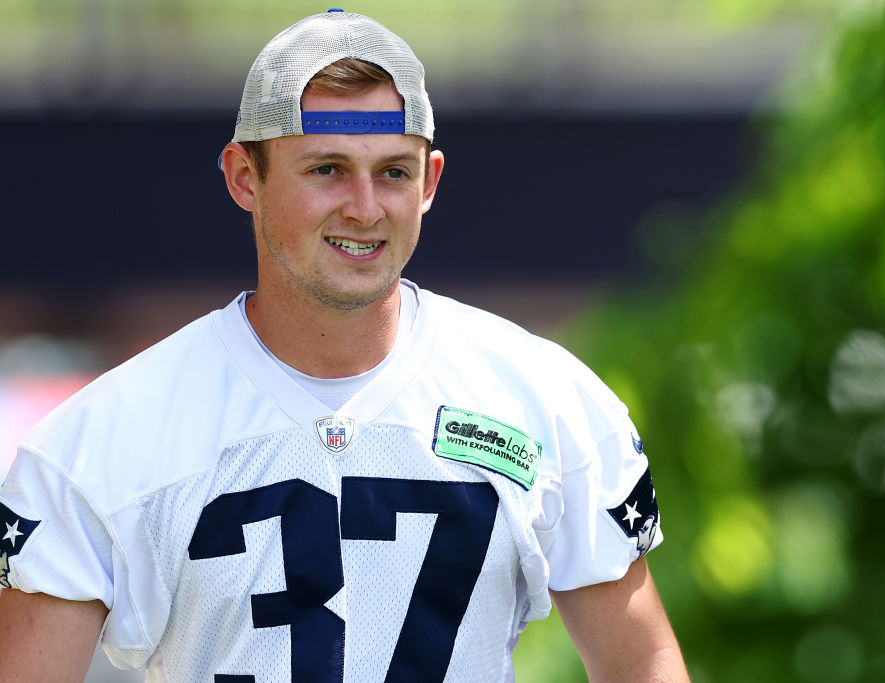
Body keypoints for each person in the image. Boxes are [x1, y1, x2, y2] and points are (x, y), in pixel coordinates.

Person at [0, 9, 688, 682]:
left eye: (393, 171)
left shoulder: (544, 397)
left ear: (432, 181)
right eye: (326, 169)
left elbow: (642, 662)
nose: (364, 207)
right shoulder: (101, 439)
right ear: (245, 176)